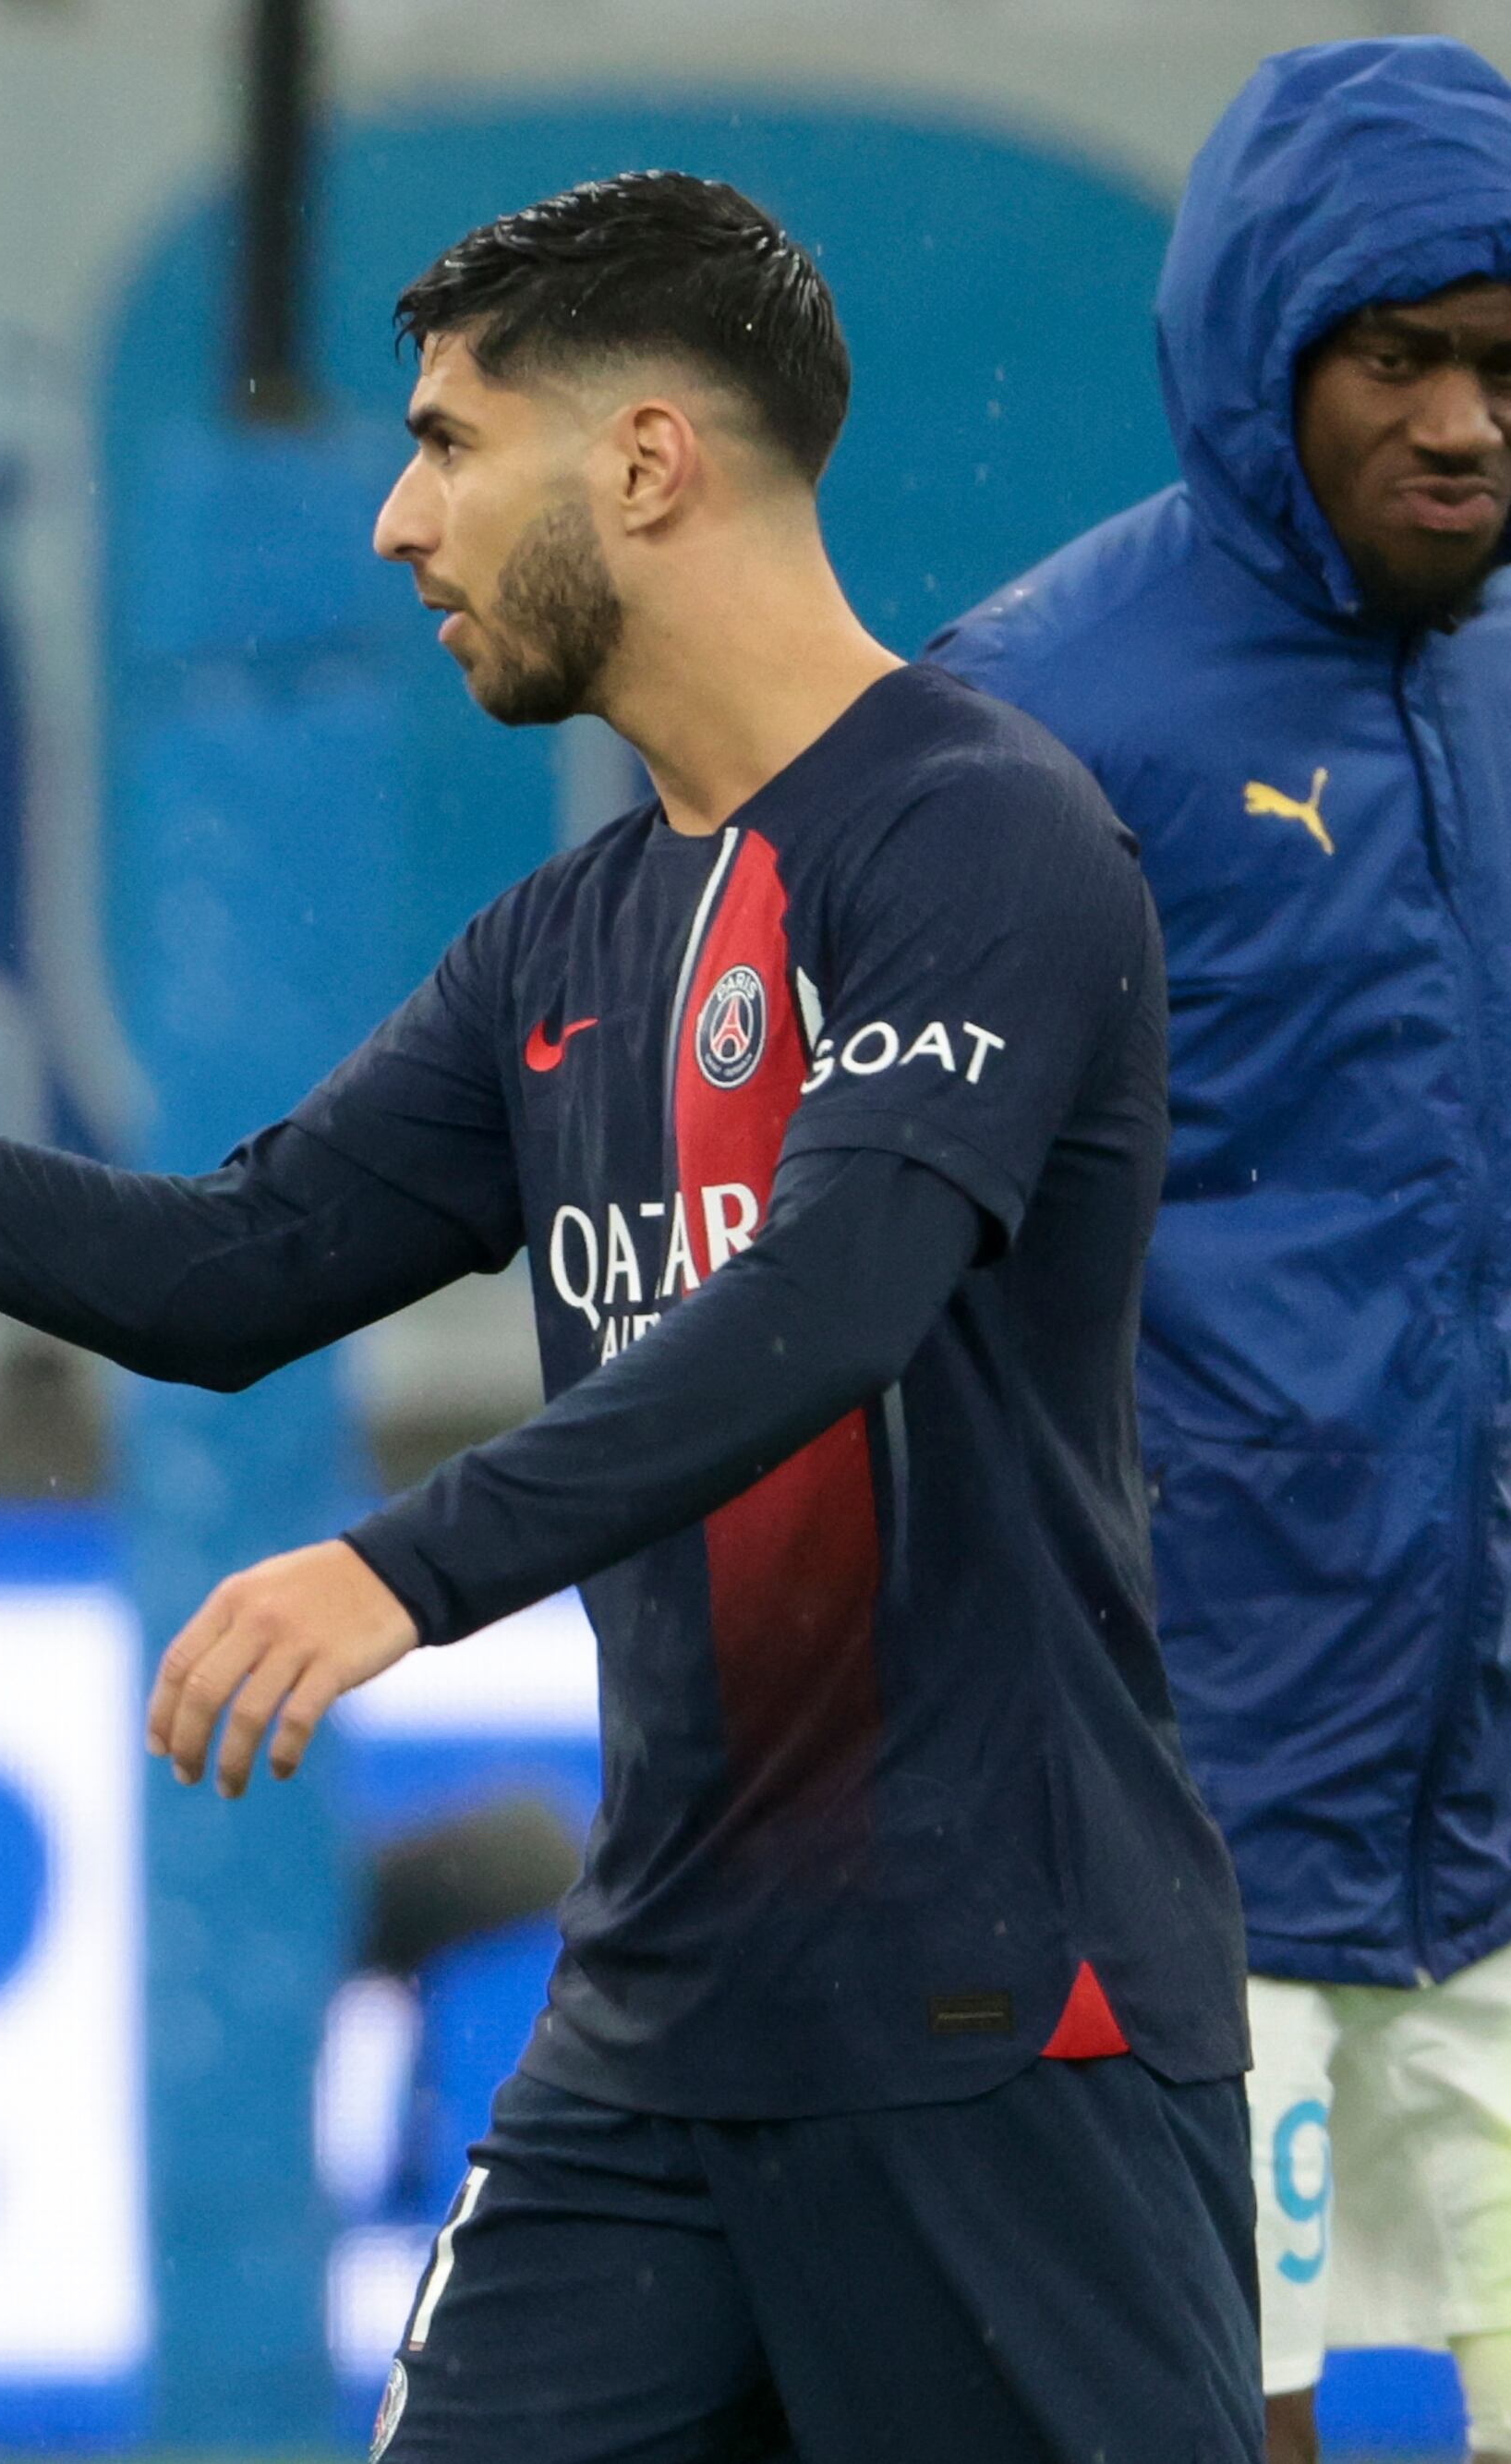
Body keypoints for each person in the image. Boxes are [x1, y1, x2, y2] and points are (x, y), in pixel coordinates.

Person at [0, 170, 1256, 2460]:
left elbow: (838, 1298)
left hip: (992, 2018)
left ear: (644, 463)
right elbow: (225, 1273)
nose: (389, 519)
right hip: (655, 2034)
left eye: (449, 441)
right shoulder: (558, 944)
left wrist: (401, 1563)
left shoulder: (979, 839)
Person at [927, 39, 1511, 2461]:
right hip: (1178, 1787)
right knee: (1208, 2409)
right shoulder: (1027, 717)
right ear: (1265, 361)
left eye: (1507, 362)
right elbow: (881, 1275)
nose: (1470, 421)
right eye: (1404, 358)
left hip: (1485, 1793)